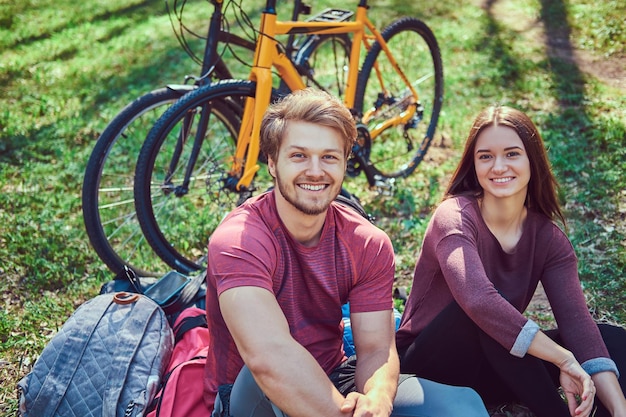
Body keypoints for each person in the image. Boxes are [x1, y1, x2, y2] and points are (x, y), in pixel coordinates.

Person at [203, 88, 490, 417]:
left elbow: (376, 349)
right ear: (272, 162)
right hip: (257, 397)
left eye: (329, 157)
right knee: (260, 376)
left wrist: (376, 400)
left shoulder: (366, 242)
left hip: (334, 378)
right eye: (299, 156)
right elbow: (268, 359)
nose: (315, 170)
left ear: (343, 164)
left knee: (461, 408)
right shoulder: (238, 240)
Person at [395, 105, 626, 417]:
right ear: (473, 165)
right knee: (487, 314)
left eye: (512, 154)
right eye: (486, 156)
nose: (498, 166)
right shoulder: (454, 218)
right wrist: (562, 359)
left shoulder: (547, 238)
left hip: (492, 369)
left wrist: (617, 406)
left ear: (532, 160)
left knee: (609, 339)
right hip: (427, 367)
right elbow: (479, 302)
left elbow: (577, 323)